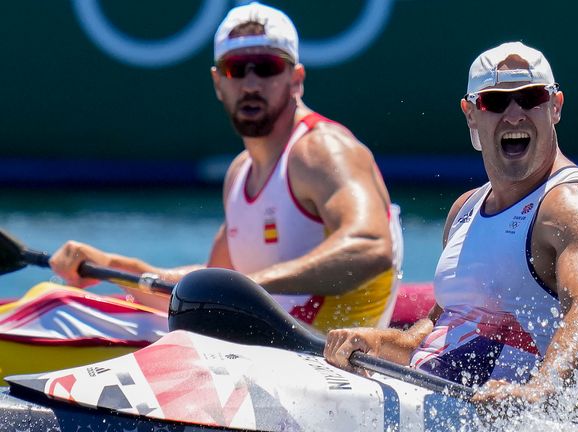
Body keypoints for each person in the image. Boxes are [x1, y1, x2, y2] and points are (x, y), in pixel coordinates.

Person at [49, 2, 403, 333]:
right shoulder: (239, 173)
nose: (250, 84)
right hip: (265, 349)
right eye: (236, 69)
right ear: (219, 82)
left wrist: (253, 285)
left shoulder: (321, 150)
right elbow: (210, 283)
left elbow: (372, 246)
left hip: (325, 360)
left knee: (67, 318)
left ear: (296, 78)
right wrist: (114, 266)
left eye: (266, 68)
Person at [324, 42, 578, 405]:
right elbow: (440, 328)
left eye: (530, 97)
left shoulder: (575, 207)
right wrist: (379, 341)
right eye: (495, 102)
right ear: (471, 113)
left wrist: (541, 388)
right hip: (434, 395)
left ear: (555, 107)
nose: (514, 114)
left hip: (513, 415)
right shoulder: (464, 210)